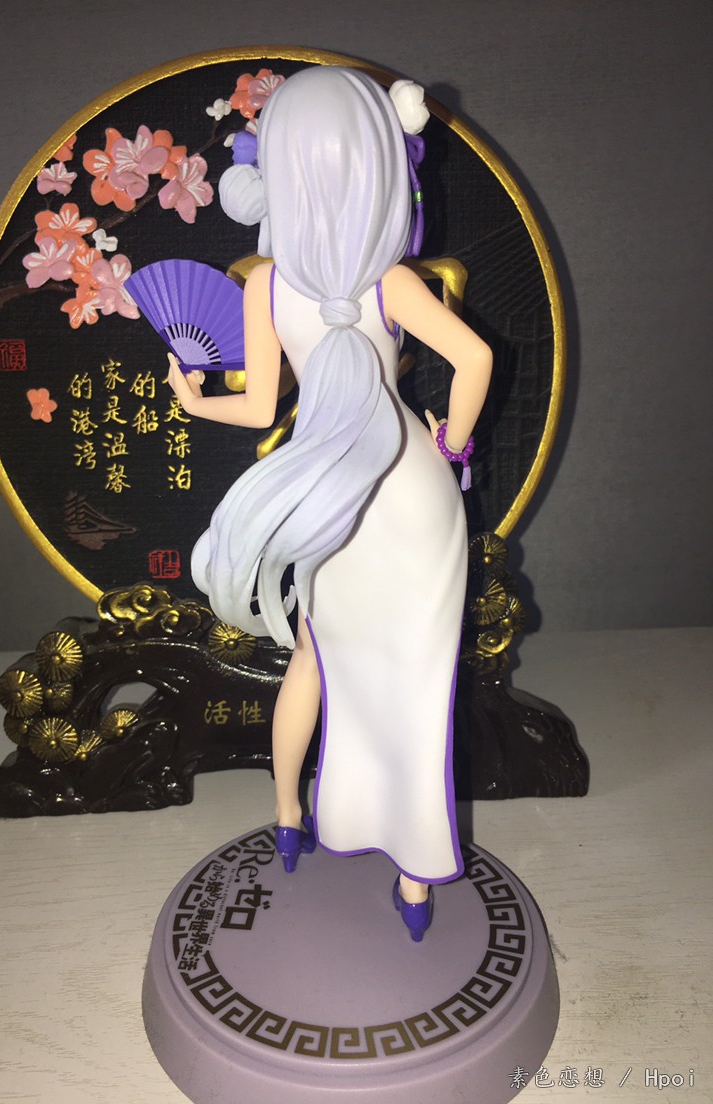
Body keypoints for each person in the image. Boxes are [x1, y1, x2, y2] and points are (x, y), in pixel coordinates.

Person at [167, 66, 492, 941]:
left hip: (328, 491)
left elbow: (259, 407)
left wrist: (196, 401)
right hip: (409, 486)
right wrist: (451, 447)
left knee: (312, 658)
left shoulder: (268, 284)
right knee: (418, 679)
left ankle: (287, 811)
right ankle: (415, 882)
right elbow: (476, 361)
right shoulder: (392, 281)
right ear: (379, 162)